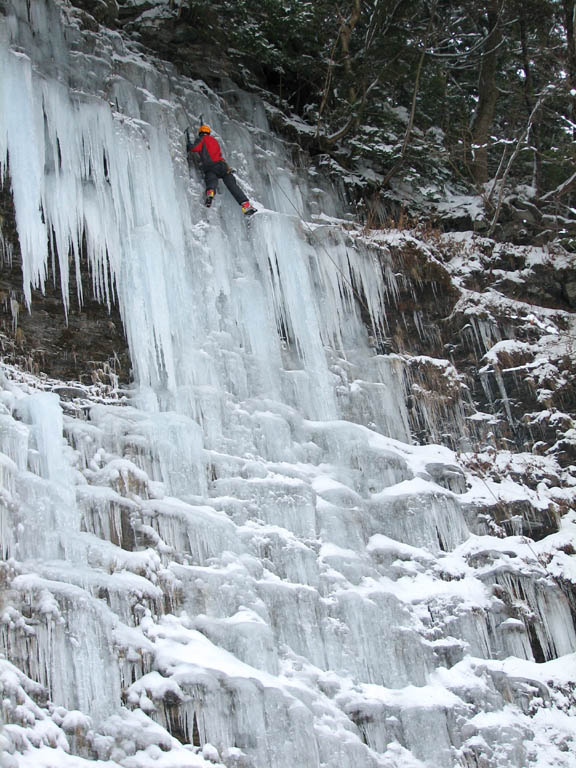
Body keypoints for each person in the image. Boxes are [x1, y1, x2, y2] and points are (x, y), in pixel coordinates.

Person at [187, 125, 257, 215]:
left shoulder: (202, 139)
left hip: (211, 166)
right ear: (208, 132)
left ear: (201, 133)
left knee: (211, 178)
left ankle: (210, 193)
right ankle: (246, 205)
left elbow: (194, 148)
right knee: (232, 185)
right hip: (223, 166)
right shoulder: (214, 140)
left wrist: (189, 144)